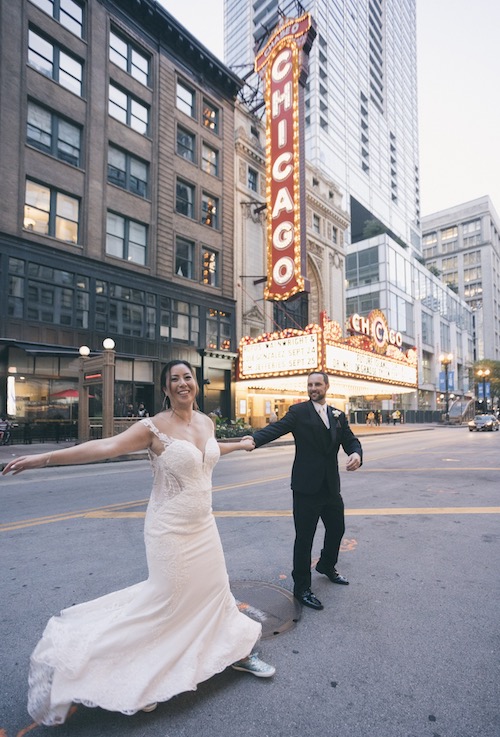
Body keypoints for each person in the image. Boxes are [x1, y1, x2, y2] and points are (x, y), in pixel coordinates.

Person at [2, 360, 274, 726]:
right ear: (165, 388)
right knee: (163, 602)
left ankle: (236, 652)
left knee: (214, 593)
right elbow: (105, 447)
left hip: (203, 526)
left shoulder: (206, 423)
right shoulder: (153, 428)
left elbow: (208, 451)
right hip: (169, 531)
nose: (182, 383)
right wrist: (45, 458)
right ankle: (128, 672)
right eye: (174, 379)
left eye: (187, 377)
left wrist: (238, 445)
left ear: (196, 383)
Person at [249, 371, 362, 611]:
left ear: (327, 386)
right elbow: (277, 429)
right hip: (306, 488)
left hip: (330, 487)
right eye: (310, 384)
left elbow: (351, 440)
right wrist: (253, 441)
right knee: (304, 539)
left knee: (337, 529)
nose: (313, 388)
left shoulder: (338, 415)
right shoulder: (298, 412)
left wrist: (356, 454)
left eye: (317, 384)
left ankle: (326, 566)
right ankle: (301, 588)